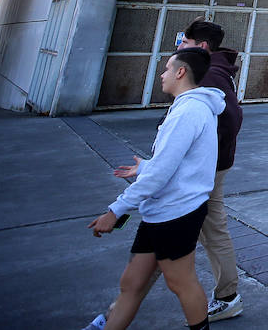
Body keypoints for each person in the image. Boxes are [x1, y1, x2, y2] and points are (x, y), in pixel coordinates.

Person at [85, 47, 224, 330]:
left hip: (177, 212)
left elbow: (161, 174)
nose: (162, 75)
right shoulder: (187, 107)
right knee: (132, 283)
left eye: (167, 69)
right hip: (159, 212)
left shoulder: (189, 111)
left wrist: (116, 210)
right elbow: (175, 164)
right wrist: (146, 167)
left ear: (181, 72)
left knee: (181, 282)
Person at [178, 18, 245, 322]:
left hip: (207, 168)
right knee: (211, 227)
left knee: (206, 228)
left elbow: (231, 120)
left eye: (185, 42)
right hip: (209, 165)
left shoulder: (211, 73)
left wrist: (207, 157)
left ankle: (228, 296)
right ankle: (227, 295)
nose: (180, 47)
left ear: (201, 46)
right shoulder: (215, 71)